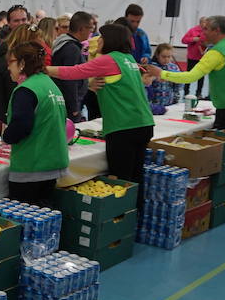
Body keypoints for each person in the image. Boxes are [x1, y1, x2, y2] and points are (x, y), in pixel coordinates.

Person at [48, 24, 155, 201]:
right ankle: (134, 218)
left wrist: (44, 70)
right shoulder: (127, 58)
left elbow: (74, 72)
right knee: (136, 178)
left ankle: (120, 218)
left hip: (123, 126)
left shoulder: (108, 60)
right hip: (143, 123)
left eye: (101, 38)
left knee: (121, 182)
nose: (98, 40)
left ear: (110, 40)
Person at [145, 15, 225, 133]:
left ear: (217, 30)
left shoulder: (216, 52)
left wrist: (161, 73)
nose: (202, 33)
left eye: (206, 29)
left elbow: (191, 77)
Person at [3, 42, 69, 205]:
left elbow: (21, 125)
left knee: (25, 219)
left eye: (10, 62)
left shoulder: (26, 90)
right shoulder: (50, 84)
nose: (8, 68)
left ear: (22, 63)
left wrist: (6, 136)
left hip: (32, 165)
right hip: (53, 161)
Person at [51, 11, 93, 123]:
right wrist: (74, 107)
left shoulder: (65, 44)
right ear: (82, 29)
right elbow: (70, 79)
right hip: (68, 105)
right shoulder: (71, 49)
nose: (91, 32)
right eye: (90, 28)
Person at [147, 43, 183, 107]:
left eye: (169, 57)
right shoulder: (151, 67)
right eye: (163, 57)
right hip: (154, 104)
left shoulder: (174, 67)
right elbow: (146, 86)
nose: (166, 59)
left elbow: (178, 87)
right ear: (157, 55)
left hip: (170, 103)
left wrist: (176, 99)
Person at [181, 17, 209, 98]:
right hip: (192, 57)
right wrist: (193, 39)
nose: (206, 24)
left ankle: (199, 93)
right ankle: (186, 92)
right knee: (189, 75)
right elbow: (183, 40)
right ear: (200, 23)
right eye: (204, 22)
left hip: (203, 57)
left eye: (207, 23)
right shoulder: (192, 30)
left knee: (201, 76)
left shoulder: (208, 32)